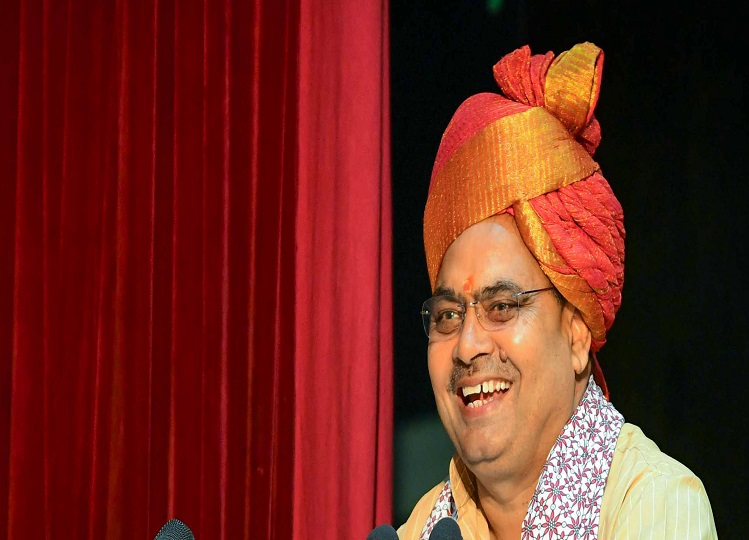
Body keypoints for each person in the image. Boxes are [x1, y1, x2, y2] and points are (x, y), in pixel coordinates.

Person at [397, 42, 717, 539]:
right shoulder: (424, 527)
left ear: (576, 335)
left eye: (501, 306)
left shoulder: (654, 505)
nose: (466, 345)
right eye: (448, 316)